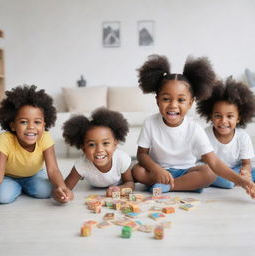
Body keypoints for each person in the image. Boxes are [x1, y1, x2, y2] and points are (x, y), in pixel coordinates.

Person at [132, 54, 255, 198]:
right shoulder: (150, 123)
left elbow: (213, 161)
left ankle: (170, 186)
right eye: (166, 99)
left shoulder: (194, 128)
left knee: (208, 173)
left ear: (190, 103)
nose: (173, 105)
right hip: (159, 171)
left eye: (181, 100)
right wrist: (156, 169)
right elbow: (141, 155)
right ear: (157, 100)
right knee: (137, 170)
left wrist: (242, 181)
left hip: (187, 171)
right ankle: (179, 184)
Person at [0, 85, 72, 204]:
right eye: (23, 122)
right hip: (9, 177)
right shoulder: (4, 139)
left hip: (34, 175)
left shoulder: (45, 138)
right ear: (13, 125)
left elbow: (53, 170)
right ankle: (17, 187)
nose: (31, 127)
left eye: (37, 122)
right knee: (2, 197)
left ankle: (25, 187)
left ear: (44, 125)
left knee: (47, 191)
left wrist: (62, 187)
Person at [54, 107, 135, 202]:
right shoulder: (82, 164)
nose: (99, 150)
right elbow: (65, 187)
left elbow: (130, 182)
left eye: (105, 143)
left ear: (115, 145)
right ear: (83, 148)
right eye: (92, 145)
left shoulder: (121, 159)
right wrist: (62, 195)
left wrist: (120, 189)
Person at [196, 78, 255, 188]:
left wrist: (245, 172)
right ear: (211, 116)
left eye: (230, 116)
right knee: (223, 181)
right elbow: (204, 161)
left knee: (253, 172)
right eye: (218, 116)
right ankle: (233, 181)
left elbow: (246, 163)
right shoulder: (204, 134)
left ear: (238, 118)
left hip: (235, 169)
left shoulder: (243, 137)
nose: (223, 121)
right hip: (213, 170)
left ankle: (237, 180)